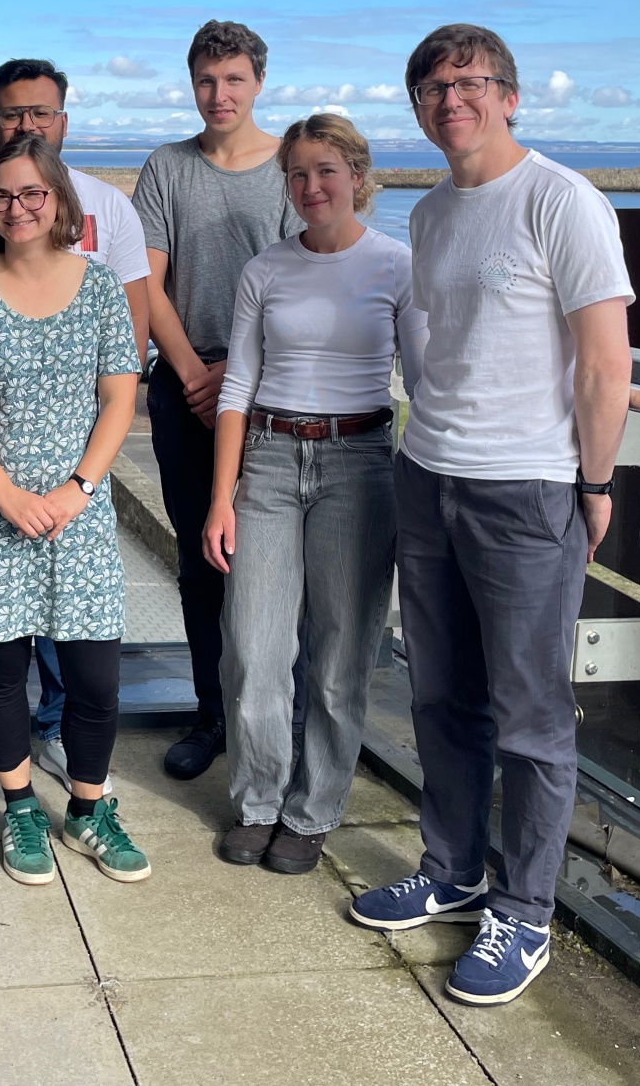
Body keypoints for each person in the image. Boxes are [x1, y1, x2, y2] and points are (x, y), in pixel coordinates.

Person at [347, 24, 632, 1008]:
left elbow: (605, 363)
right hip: (429, 473)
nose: (449, 100)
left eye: (469, 83)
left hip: (528, 489)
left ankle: (525, 911)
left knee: (530, 716)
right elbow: (443, 346)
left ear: (509, 96)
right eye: (431, 88)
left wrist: (594, 484)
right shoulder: (430, 214)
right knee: (439, 696)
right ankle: (453, 870)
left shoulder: (562, 201)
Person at [0, 59, 149, 802]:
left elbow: (119, 398)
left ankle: (89, 807)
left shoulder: (101, 286)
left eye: (32, 194)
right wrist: (9, 496)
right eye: (2, 196)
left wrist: (79, 488)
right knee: (0, 675)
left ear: (59, 200)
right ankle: (17, 805)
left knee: (94, 680)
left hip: (76, 511)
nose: (17, 208)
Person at [203, 115, 425, 874]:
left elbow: (425, 383)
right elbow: (237, 386)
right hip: (267, 463)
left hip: (359, 466)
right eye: (297, 173)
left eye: (327, 170)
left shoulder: (396, 266)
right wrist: (222, 497)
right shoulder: (265, 269)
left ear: (358, 176)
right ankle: (259, 802)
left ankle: (312, 811)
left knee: (341, 656)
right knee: (254, 650)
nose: (311, 186)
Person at [132, 20, 301, 782]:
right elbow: (148, 282)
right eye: (206, 79)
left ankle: (276, 720)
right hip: (185, 385)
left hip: (273, 388)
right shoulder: (168, 167)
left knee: (272, 564)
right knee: (202, 559)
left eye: (233, 79)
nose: (218, 94)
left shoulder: (291, 164)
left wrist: (239, 371)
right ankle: (213, 715)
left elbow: (304, 274)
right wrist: (196, 375)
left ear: (258, 82)